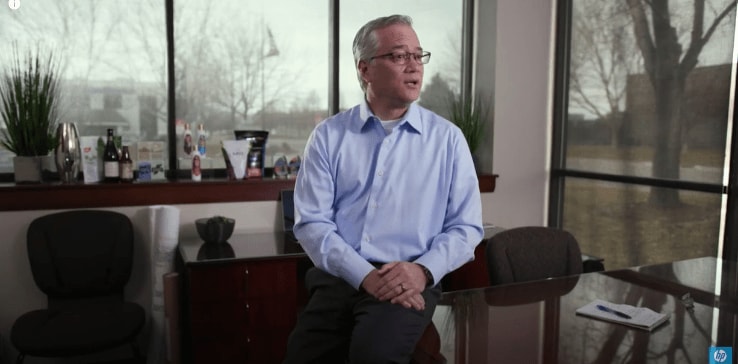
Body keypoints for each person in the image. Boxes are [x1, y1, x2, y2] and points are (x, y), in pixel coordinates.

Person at [283, 14, 483, 364]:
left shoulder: (448, 139)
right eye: (399, 55)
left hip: (408, 277)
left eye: (418, 56)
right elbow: (312, 223)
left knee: (372, 356)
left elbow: (466, 228)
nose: (414, 67)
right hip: (339, 278)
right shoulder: (329, 137)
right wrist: (365, 276)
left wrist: (421, 272)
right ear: (365, 69)